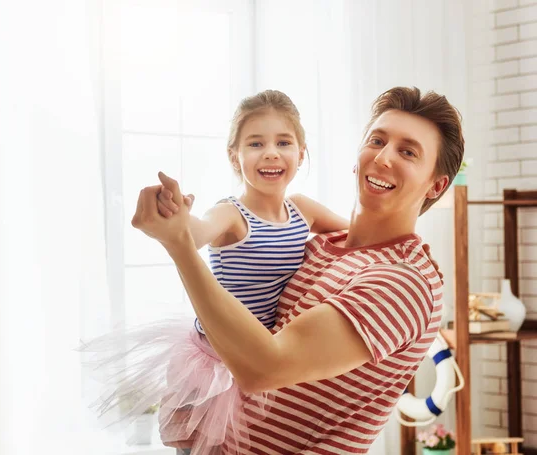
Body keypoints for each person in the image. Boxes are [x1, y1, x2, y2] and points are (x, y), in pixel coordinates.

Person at [132, 86, 464, 454]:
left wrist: (179, 246)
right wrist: (177, 221)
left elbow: (265, 369)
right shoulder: (324, 244)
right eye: (377, 140)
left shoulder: (405, 281)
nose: (383, 158)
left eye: (407, 152)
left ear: (436, 185)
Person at [80, 90, 350, 453]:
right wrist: (176, 218)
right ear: (234, 156)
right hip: (215, 364)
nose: (270, 152)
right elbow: (195, 232)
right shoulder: (232, 214)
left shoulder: (302, 210)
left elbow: (356, 236)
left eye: (283, 142)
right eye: (256, 143)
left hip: (261, 354)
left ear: (301, 154)